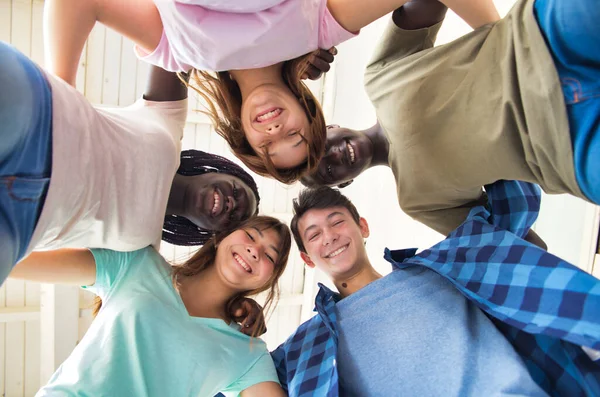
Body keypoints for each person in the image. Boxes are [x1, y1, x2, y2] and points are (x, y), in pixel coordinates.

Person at [44, 0, 500, 183]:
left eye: (266, 146)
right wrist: (501, 42)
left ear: (243, 135)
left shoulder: (181, 52)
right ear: (308, 114)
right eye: (295, 137)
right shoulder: (321, 27)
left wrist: (59, 101)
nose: (275, 131)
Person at [301, 0, 600, 237]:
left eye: (322, 147)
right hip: (571, 151)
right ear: (345, 183)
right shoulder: (417, 202)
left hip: (544, 40)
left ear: (330, 127)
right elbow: (505, 247)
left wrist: (497, 36)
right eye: (329, 170)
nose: (335, 155)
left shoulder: (379, 75)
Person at [272, 185, 600, 396]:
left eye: (336, 221)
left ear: (362, 227)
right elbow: (233, 377)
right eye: (313, 235)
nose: (328, 236)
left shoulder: (445, 264)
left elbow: (514, 198)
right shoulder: (305, 347)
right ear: (306, 258)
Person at [0, 41, 262, 286]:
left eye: (235, 218)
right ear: (221, 170)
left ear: (212, 234)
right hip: (38, 117)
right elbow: (174, 39)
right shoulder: (169, 121)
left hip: (25, 220)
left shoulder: (144, 253)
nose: (232, 204)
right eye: (238, 191)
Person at [10, 216, 292, 397]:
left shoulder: (248, 353)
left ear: (269, 278)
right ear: (221, 236)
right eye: (251, 236)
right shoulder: (137, 264)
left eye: (269, 255)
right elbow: (16, 262)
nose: (255, 250)